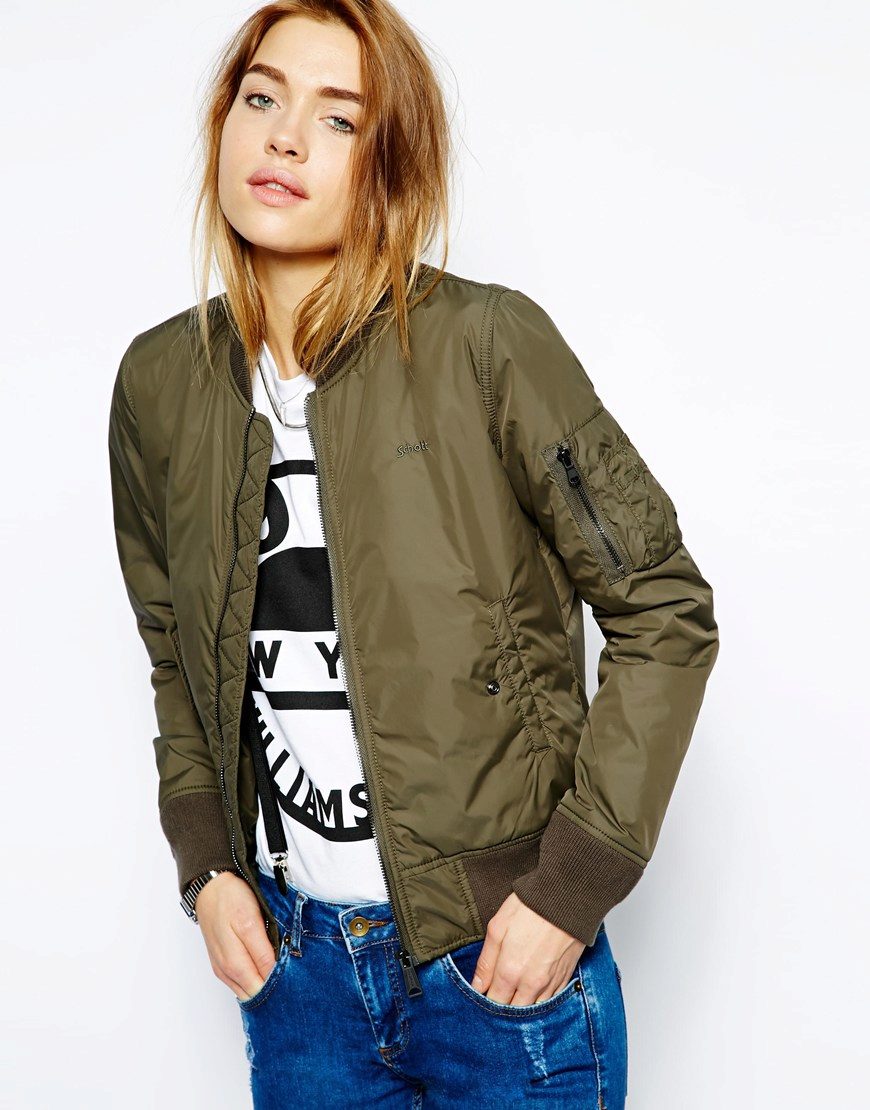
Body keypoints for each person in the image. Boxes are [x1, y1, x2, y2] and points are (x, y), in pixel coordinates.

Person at [107, 2, 719, 1106]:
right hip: (297, 978)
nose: (285, 137)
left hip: (501, 970)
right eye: (262, 97)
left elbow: (662, 610)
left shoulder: (487, 345)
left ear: (390, 165)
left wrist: (568, 890)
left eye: (339, 119)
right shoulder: (161, 385)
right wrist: (206, 868)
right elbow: (172, 652)